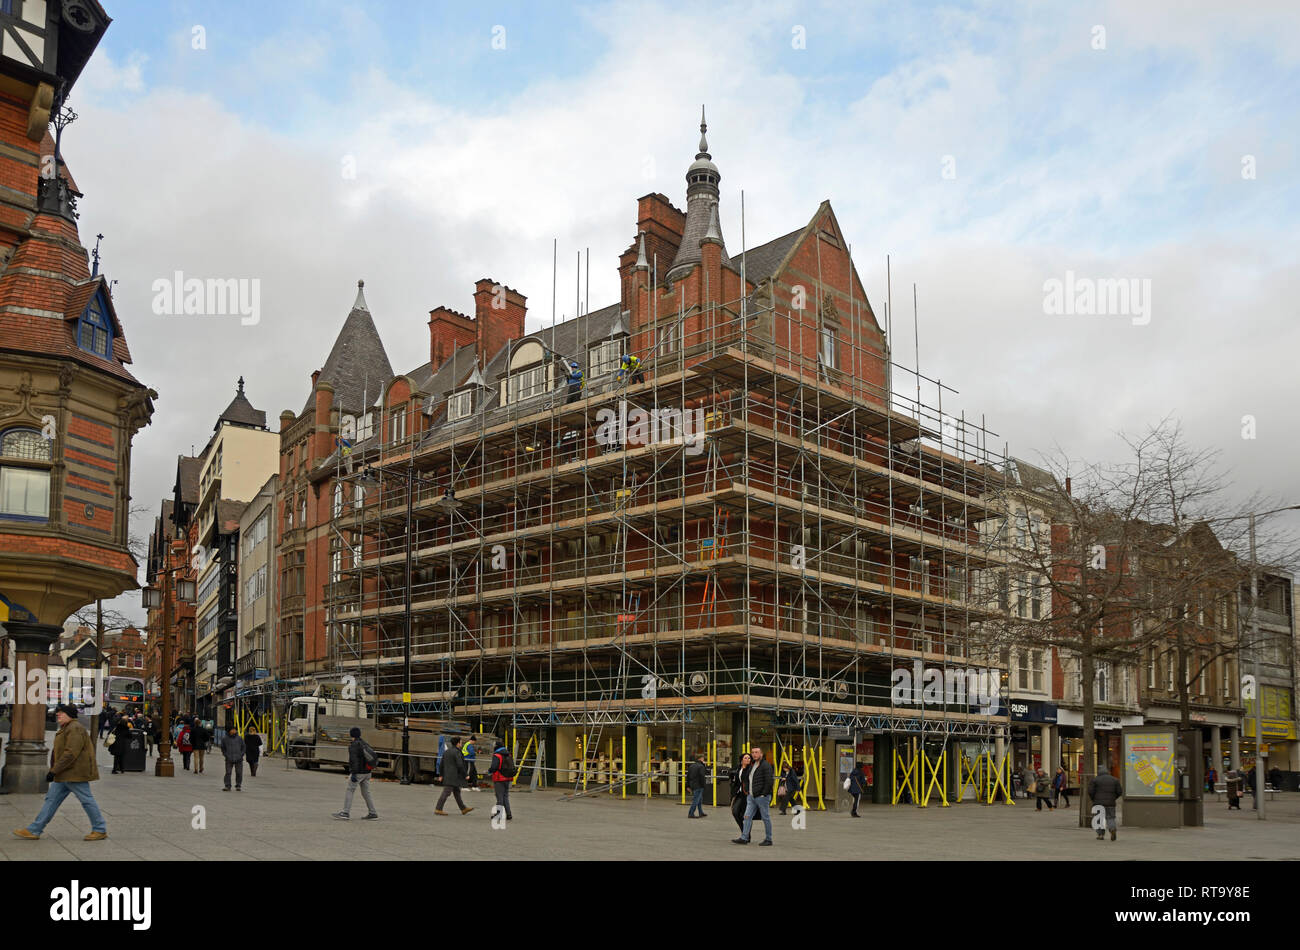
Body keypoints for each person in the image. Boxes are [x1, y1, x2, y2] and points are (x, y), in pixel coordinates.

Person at [13, 705, 107, 841]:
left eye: (61, 713)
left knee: (86, 800)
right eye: (58, 713)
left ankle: (100, 829)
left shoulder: (74, 728)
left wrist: (54, 770)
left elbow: (70, 753)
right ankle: (34, 830)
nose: (58, 715)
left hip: (74, 774)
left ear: (69, 715)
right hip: (65, 773)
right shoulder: (68, 728)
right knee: (51, 801)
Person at [333, 727, 379, 820]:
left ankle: (345, 813)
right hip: (367, 772)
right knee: (366, 792)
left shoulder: (354, 745)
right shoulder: (364, 743)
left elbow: (354, 761)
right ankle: (372, 812)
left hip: (358, 772)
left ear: (351, 735)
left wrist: (353, 773)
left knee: (350, 790)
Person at [734, 746, 775, 846]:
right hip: (751, 797)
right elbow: (748, 779)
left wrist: (763, 794)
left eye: (756, 752)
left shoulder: (766, 765)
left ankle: (768, 839)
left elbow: (769, 781)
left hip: (762, 797)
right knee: (747, 817)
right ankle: (744, 838)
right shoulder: (753, 765)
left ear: (761, 754)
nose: (754, 754)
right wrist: (748, 791)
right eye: (753, 752)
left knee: (765, 817)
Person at [435, 735, 474, 815]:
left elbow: (442, 764)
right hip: (453, 776)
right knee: (446, 792)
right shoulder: (457, 752)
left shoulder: (447, 751)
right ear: (458, 743)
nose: (461, 743)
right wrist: (465, 775)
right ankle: (438, 809)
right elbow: (460, 765)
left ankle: (463, 808)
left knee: (456, 792)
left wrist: (441, 775)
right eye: (461, 742)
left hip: (448, 775)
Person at [1087, 765, 1123, 841]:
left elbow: (1090, 791)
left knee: (1099, 819)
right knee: (1110, 818)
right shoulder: (1115, 780)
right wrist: (1113, 798)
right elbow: (1119, 792)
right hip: (1110, 803)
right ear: (1107, 771)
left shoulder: (1095, 780)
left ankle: (1100, 834)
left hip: (1098, 803)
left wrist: (1094, 799)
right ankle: (1112, 829)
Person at [489, 742, 514, 821]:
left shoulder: (497, 755)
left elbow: (494, 767)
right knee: (505, 796)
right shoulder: (509, 754)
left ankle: (499, 814)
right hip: (508, 778)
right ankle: (509, 814)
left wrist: (489, 771)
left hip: (499, 778)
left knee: (499, 797)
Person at [729, 753, 751, 831]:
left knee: (746, 815)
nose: (747, 759)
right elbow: (732, 775)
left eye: (749, 758)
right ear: (741, 760)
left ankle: (746, 835)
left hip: (747, 794)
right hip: (739, 793)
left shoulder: (750, 769)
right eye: (745, 758)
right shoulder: (738, 768)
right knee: (735, 812)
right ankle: (743, 831)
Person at [220, 725, 245, 791]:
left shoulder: (239, 738)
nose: (234, 731)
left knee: (239, 772)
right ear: (229, 731)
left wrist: (241, 755)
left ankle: (238, 785)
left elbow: (243, 747)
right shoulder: (225, 739)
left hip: (238, 759)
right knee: (228, 772)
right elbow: (222, 748)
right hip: (229, 758)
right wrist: (226, 755)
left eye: (235, 729)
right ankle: (227, 786)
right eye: (233, 729)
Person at [687, 752, 709, 818]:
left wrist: (687, 786)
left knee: (699, 799)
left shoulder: (691, 766)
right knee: (696, 800)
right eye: (703, 758)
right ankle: (691, 813)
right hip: (699, 785)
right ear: (701, 758)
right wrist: (704, 786)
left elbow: (688, 776)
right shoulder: (701, 766)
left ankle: (701, 812)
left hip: (693, 785)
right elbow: (702, 777)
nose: (703, 759)